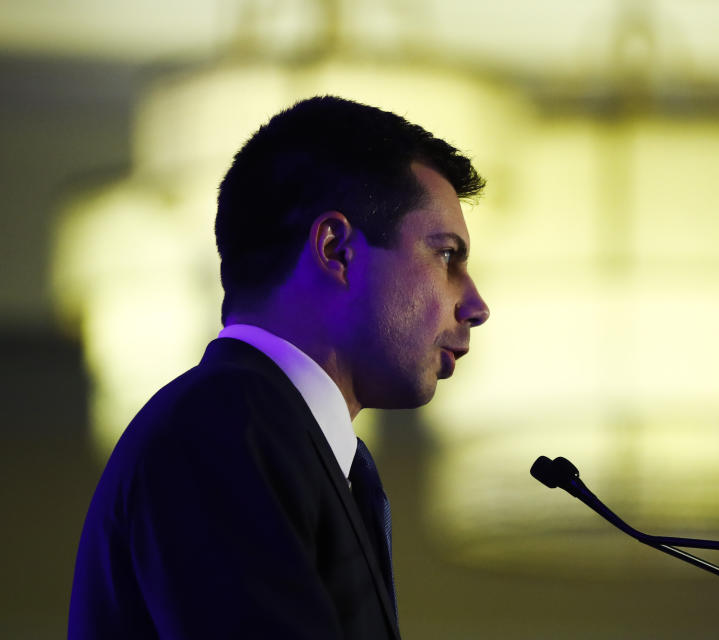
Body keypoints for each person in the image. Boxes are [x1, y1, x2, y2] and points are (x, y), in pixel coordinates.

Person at [68, 95, 490, 640]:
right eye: (447, 255)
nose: (476, 304)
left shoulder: (296, 443)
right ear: (336, 250)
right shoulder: (221, 428)